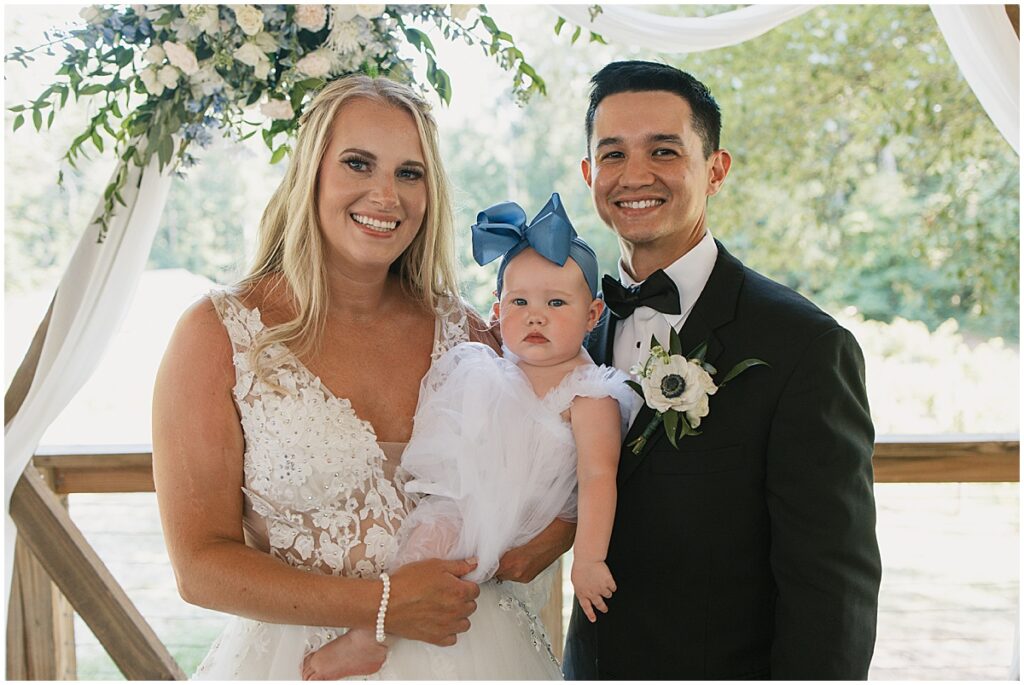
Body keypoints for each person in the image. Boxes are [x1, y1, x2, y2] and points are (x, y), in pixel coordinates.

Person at [152, 75, 573, 680]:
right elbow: (199, 565)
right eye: (358, 164)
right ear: (311, 173)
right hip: (299, 662)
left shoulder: (468, 333)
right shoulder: (218, 335)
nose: (386, 196)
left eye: (410, 173)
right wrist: (382, 605)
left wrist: (553, 537)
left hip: (474, 654)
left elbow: (560, 442)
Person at [561, 60, 882, 680]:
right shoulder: (576, 334)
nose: (636, 176)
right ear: (589, 174)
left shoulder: (804, 347)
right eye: (614, 154)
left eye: (664, 151)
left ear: (716, 170)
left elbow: (833, 592)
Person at [301, 193, 638, 680]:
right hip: (468, 503)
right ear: (498, 310)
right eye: (520, 302)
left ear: (593, 315)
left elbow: (599, 476)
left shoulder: (589, 394)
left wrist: (588, 559)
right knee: (425, 540)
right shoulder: (495, 367)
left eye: (556, 303)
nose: (535, 316)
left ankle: (367, 637)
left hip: (507, 519)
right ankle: (374, 628)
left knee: (435, 551)